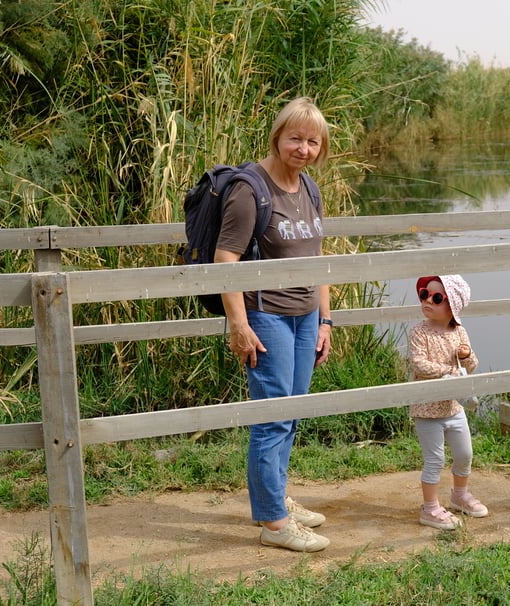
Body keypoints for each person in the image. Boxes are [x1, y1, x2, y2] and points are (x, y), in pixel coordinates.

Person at [214, 97, 333, 553]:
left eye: (312, 142)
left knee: (291, 411)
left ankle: (275, 498)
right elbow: (225, 261)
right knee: (272, 417)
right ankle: (274, 524)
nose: (303, 148)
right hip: (266, 316)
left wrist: (325, 319)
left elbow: (319, 259)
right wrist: (239, 325)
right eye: (295, 138)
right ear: (277, 137)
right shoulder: (251, 189)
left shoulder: (309, 188)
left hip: (306, 317)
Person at [407, 274, 488, 530]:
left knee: (464, 454)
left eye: (437, 298)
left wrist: (466, 356)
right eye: (425, 294)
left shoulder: (459, 332)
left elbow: (471, 366)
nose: (427, 300)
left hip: (454, 407)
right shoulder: (419, 332)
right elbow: (419, 365)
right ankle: (429, 508)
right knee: (435, 460)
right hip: (427, 408)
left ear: (453, 306)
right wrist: (449, 372)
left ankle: (459, 495)